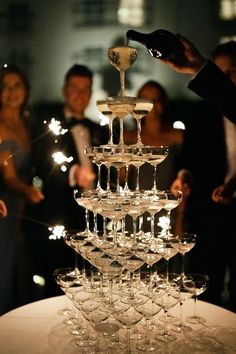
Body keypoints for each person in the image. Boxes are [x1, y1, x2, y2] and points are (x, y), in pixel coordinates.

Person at [26, 64, 109, 298]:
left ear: (92, 93)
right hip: (61, 219)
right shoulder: (48, 127)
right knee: (59, 287)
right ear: (64, 90)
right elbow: (43, 161)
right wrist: (75, 173)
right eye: (74, 88)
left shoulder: (99, 131)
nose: (80, 94)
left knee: (93, 288)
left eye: (86, 89)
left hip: (95, 224)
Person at [171, 41, 236, 312]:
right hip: (211, 213)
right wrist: (183, 175)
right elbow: (191, 156)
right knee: (207, 288)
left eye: (230, 73)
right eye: (216, 74)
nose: (222, 82)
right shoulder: (201, 113)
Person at [0, 65, 44, 315]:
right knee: (4, 268)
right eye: (5, 86)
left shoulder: (28, 124)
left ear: (26, 90)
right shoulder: (1, 124)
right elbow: (9, 178)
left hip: (23, 208)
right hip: (6, 205)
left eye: (16, 85)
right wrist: (27, 191)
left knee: (20, 271)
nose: (10, 91)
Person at [123, 80, 185, 237]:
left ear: (164, 103)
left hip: (168, 211)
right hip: (134, 212)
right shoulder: (127, 138)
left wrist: (180, 220)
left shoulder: (177, 138)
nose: (151, 105)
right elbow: (121, 181)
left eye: (156, 99)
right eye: (146, 99)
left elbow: (184, 177)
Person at [159, 34, 236, 124]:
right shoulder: (204, 118)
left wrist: (199, 67)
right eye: (219, 74)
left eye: (232, 71)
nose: (224, 79)